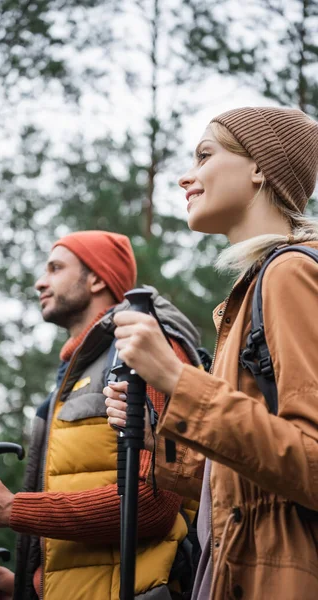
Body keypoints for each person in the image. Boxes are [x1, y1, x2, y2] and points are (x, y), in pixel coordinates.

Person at [104, 107, 318, 600]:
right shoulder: (249, 294)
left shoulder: (289, 275)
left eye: (205, 155)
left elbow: (309, 461)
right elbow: (241, 485)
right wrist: (157, 437)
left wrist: (178, 381)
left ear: (259, 167)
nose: (186, 176)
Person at [0, 230, 204, 600]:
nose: (41, 282)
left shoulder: (142, 351)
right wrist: (28, 588)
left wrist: (12, 508)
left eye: (56, 268)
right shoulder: (69, 381)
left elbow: (153, 504)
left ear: (97, 279)